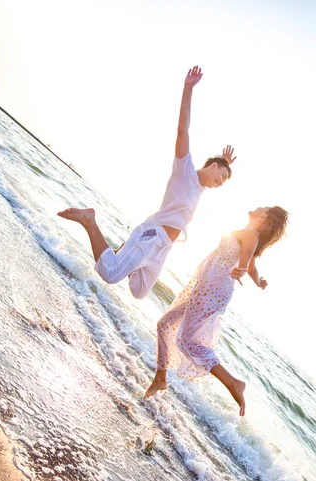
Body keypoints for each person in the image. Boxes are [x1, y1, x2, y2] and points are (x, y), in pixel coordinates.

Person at [57, 66, 236, 299]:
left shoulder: (200, 189)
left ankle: (123, 250)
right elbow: (183, 129)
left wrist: (227, 163)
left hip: (162, 248)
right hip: (153, 235)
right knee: (110, 274)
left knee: (139, 291)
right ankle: (89, 220)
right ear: (212, 166)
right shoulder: (185, 170)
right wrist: (188, 89)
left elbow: (219, 171)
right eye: (221, 177)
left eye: (223, 182)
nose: (220, 183)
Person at [144, 206, 289, 416]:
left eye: (263, 207)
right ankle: (160, 378)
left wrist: (240, 269)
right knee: (165, 324)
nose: (258, 207)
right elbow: (252, 267)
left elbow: (245, 264)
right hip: (203, 285)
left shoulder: (250, 234)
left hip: (212, 289)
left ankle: (233, 383)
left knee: (187, 341)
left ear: (264, 215)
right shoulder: (247, 233)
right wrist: (259, 282)